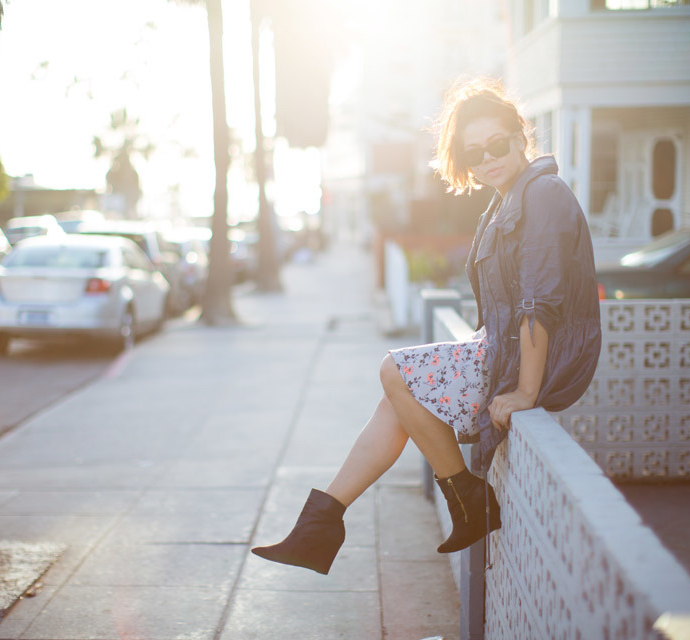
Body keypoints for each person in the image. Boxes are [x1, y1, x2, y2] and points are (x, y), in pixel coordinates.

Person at [251, 78, 602, 575]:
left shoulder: (542, 194)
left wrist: (525, 391)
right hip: (504, 350)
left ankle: (464, 499)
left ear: (520, 137)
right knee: (399, 397)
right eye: (474, 153)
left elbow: (538, 304)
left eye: (497, 145)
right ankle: (321, 524)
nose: (488, 160)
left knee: (396, 371)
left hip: (534, 363)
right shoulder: (507, 199)